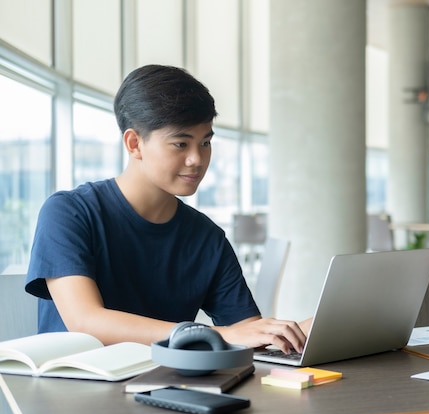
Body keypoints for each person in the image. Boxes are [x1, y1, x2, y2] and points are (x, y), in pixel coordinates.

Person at [25, 64, 308, 354]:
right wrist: (214, 334)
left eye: (205, 142)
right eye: (181, 144)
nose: (197, 159)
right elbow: (85, 321)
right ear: (135, 144)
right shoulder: (69, 213)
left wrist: (305, 330)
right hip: (76, 388)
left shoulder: (207, 237)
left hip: (166, 387)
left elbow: (248, 334)